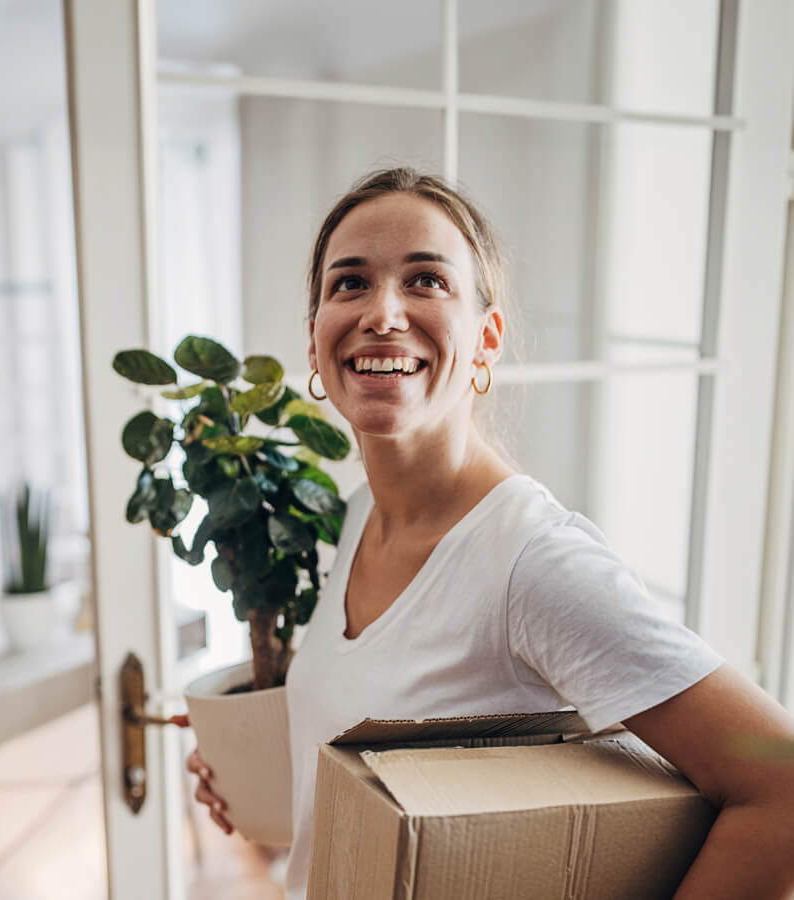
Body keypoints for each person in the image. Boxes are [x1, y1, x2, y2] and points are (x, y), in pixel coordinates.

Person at [187, 168, 794, 899]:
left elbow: (781, 784)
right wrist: (274, 791)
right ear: (315, 344)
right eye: (349, 283)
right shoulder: (357, 515)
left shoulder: (531, 562)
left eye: (426, 281)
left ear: (487, 338)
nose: (382, 312)